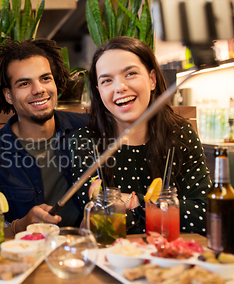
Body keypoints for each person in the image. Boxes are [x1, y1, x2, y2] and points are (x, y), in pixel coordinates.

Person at [69, 36, 210, 235]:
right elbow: (101, 221)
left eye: (130, 74)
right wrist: (164, 209)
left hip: (173, 258)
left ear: (152, 79)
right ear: (98, 91)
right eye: (107, 80)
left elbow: (205, 215)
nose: (120, 87)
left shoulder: (181, 134)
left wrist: (133, 201)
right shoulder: (85, 142)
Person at [0, 39, 90, 236]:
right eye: (24, 83)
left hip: (85, 252)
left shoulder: (89, 128)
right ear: (8, 95)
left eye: (45, 78)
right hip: (24, 258)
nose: (38, 89)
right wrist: (22, 225)